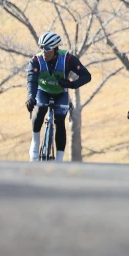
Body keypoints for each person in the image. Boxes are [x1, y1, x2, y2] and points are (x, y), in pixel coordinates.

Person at [26, 32, 92, 162]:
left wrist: (71, 84)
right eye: (41, 47)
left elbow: (86, 76)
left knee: (60, 120)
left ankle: (59, 160)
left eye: (47, 48)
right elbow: (32, 81)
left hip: (61, 93)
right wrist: (31, 97)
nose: (43, 51)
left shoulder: (67, 59)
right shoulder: (36, 60)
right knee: (40, 110)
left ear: (56, 49)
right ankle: (35, 143)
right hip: (43, 91)